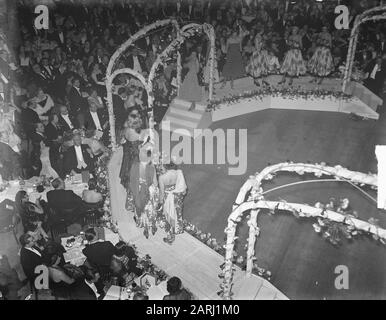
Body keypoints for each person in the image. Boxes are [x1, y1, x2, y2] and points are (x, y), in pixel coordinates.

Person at [129, 143, 159, 239]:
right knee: (150, 210)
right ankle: (152, 226)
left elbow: (131, 179)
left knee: (141, 211)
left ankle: (145, 229)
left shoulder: (134, 165)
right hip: (148, 192)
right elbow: (155, 183)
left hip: (137, 191)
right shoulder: (151, 167)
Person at [159, 162, 187, 244]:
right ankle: (175, 231)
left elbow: (162, 192)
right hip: (176, 198)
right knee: (175, 214)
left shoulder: (162, 177)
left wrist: (160, 202)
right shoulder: (178, 172)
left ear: (165, 166)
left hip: (167, 198)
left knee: (168, 217)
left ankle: (170, 237)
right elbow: (183, 188)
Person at [119, 106, 144, 192]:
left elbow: (123, 141)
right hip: (136, 154)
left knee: (127, 169)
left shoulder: (126, 129)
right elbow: (142, 146)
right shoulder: (138, 134)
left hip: (127, 153)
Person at [221, 24, 249, 89]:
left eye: (236, 34)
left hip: (237, 55)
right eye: (234, 33)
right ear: (232, 33)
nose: (235, 35)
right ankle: (224, 82)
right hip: (230, 55)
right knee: (228, 68)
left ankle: (232, 83)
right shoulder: (229, 39)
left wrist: (241, 54)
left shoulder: (239, 39)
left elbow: (240, 48)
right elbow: (226, 49)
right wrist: (226, 55)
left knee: (234, 69)